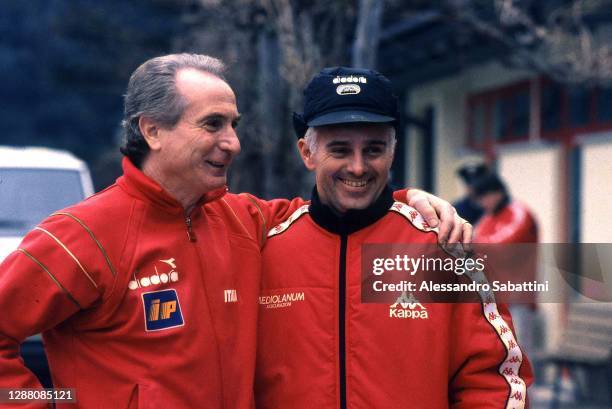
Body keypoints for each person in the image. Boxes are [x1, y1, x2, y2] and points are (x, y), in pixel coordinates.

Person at [0, 54, 470, 408]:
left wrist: (408, 201)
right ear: (152, 130)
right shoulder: (82, 233)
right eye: (213, 125)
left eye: (234, 124)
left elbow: (336, 207)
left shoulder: (243, 221)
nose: (233, 142)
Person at [255, 67, 532, 408]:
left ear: (393, 150)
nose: (357, 167)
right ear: (307, 153)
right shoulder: (263, 247)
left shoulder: (443, 249)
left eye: (373, 150)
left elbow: (495, 380)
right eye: (340, 150)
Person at [473, 172, 539, 356]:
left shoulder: (519, 213)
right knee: (498, 352)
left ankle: (525, 386)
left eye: (484, 197)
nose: (482, 204)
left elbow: (501, 246)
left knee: (519, 350)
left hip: (518, 295)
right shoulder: (489, 217)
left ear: (497, 193)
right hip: (496, 296)